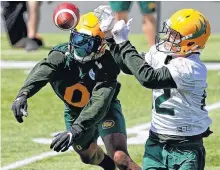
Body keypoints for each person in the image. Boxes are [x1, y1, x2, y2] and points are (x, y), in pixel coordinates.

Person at [11, 12, 141, 170]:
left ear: (100, 46)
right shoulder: (61, 55)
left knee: (120, 158)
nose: (79, 47)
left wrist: (75, 130)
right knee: (88, 156)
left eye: (87, 44)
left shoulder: (108, 63)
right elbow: (43, 70)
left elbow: (100, 102)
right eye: (77, 39)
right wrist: (23, 94)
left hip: (106, 110)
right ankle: (108, 166)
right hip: (74, 111)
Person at [95, 6, 213, 170]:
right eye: (170, 32)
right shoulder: (161, 53)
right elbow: (130, 67)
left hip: (186, 146)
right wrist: (110, 38)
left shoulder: (191, 67)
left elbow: (148, 78)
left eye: (175, 35)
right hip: (156, 141)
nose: (168, 37)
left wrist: (124, 42)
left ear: (191, 42)